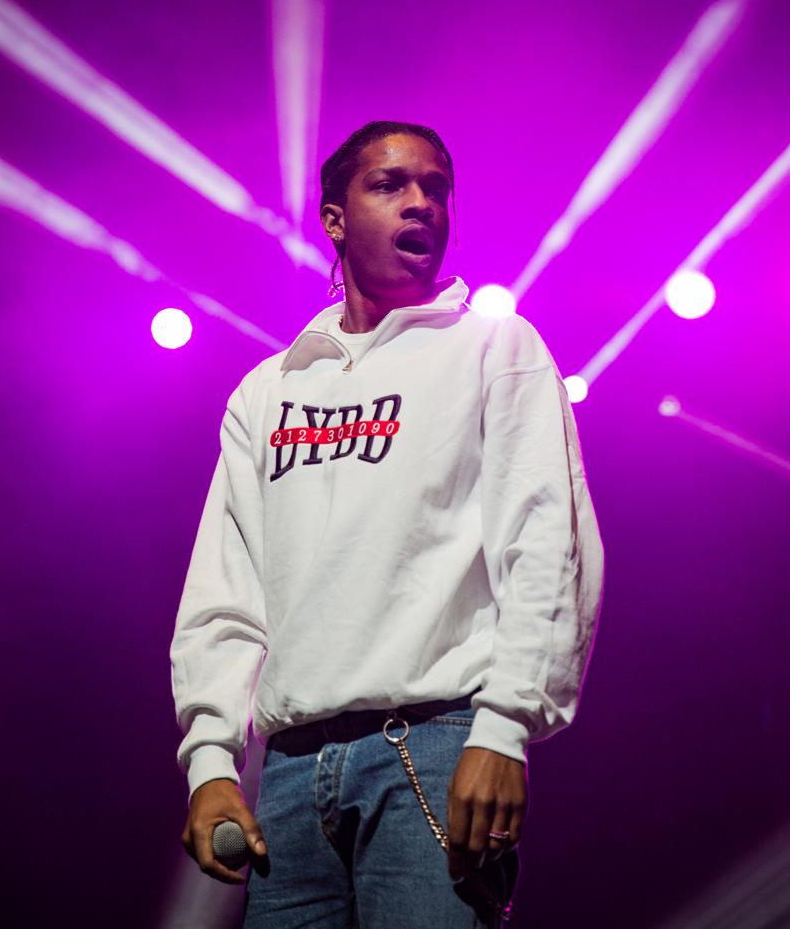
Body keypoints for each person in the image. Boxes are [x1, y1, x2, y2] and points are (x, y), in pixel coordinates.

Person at [171, 120, 604, 928]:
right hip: (292, 780)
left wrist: (504, 728)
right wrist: (210, 764)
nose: (421, 204)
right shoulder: (269, 389)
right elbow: (224, 591)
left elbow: (546, 547)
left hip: (433, 750)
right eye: (389, 185)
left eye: (436, 189)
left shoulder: (494, 348)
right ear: (333, 217)